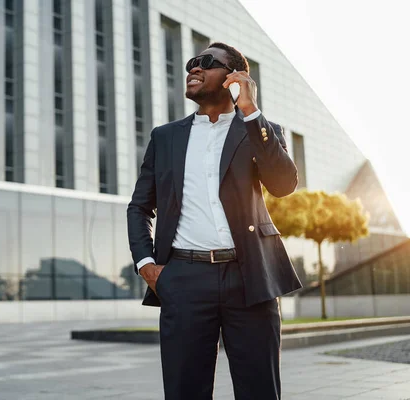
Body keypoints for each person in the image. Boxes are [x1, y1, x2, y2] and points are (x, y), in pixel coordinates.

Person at [126, 42, 302, 400]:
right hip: (184, 279)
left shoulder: (258, 129)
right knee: (184, 391)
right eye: (192, 62)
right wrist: (147, 265)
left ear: (233, 77)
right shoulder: (165, 137)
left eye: (206, 63)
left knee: (260, 391)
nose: (194, 68)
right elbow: (139, 207)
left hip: (249, 276)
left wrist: (250, 110)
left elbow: (283, 185)